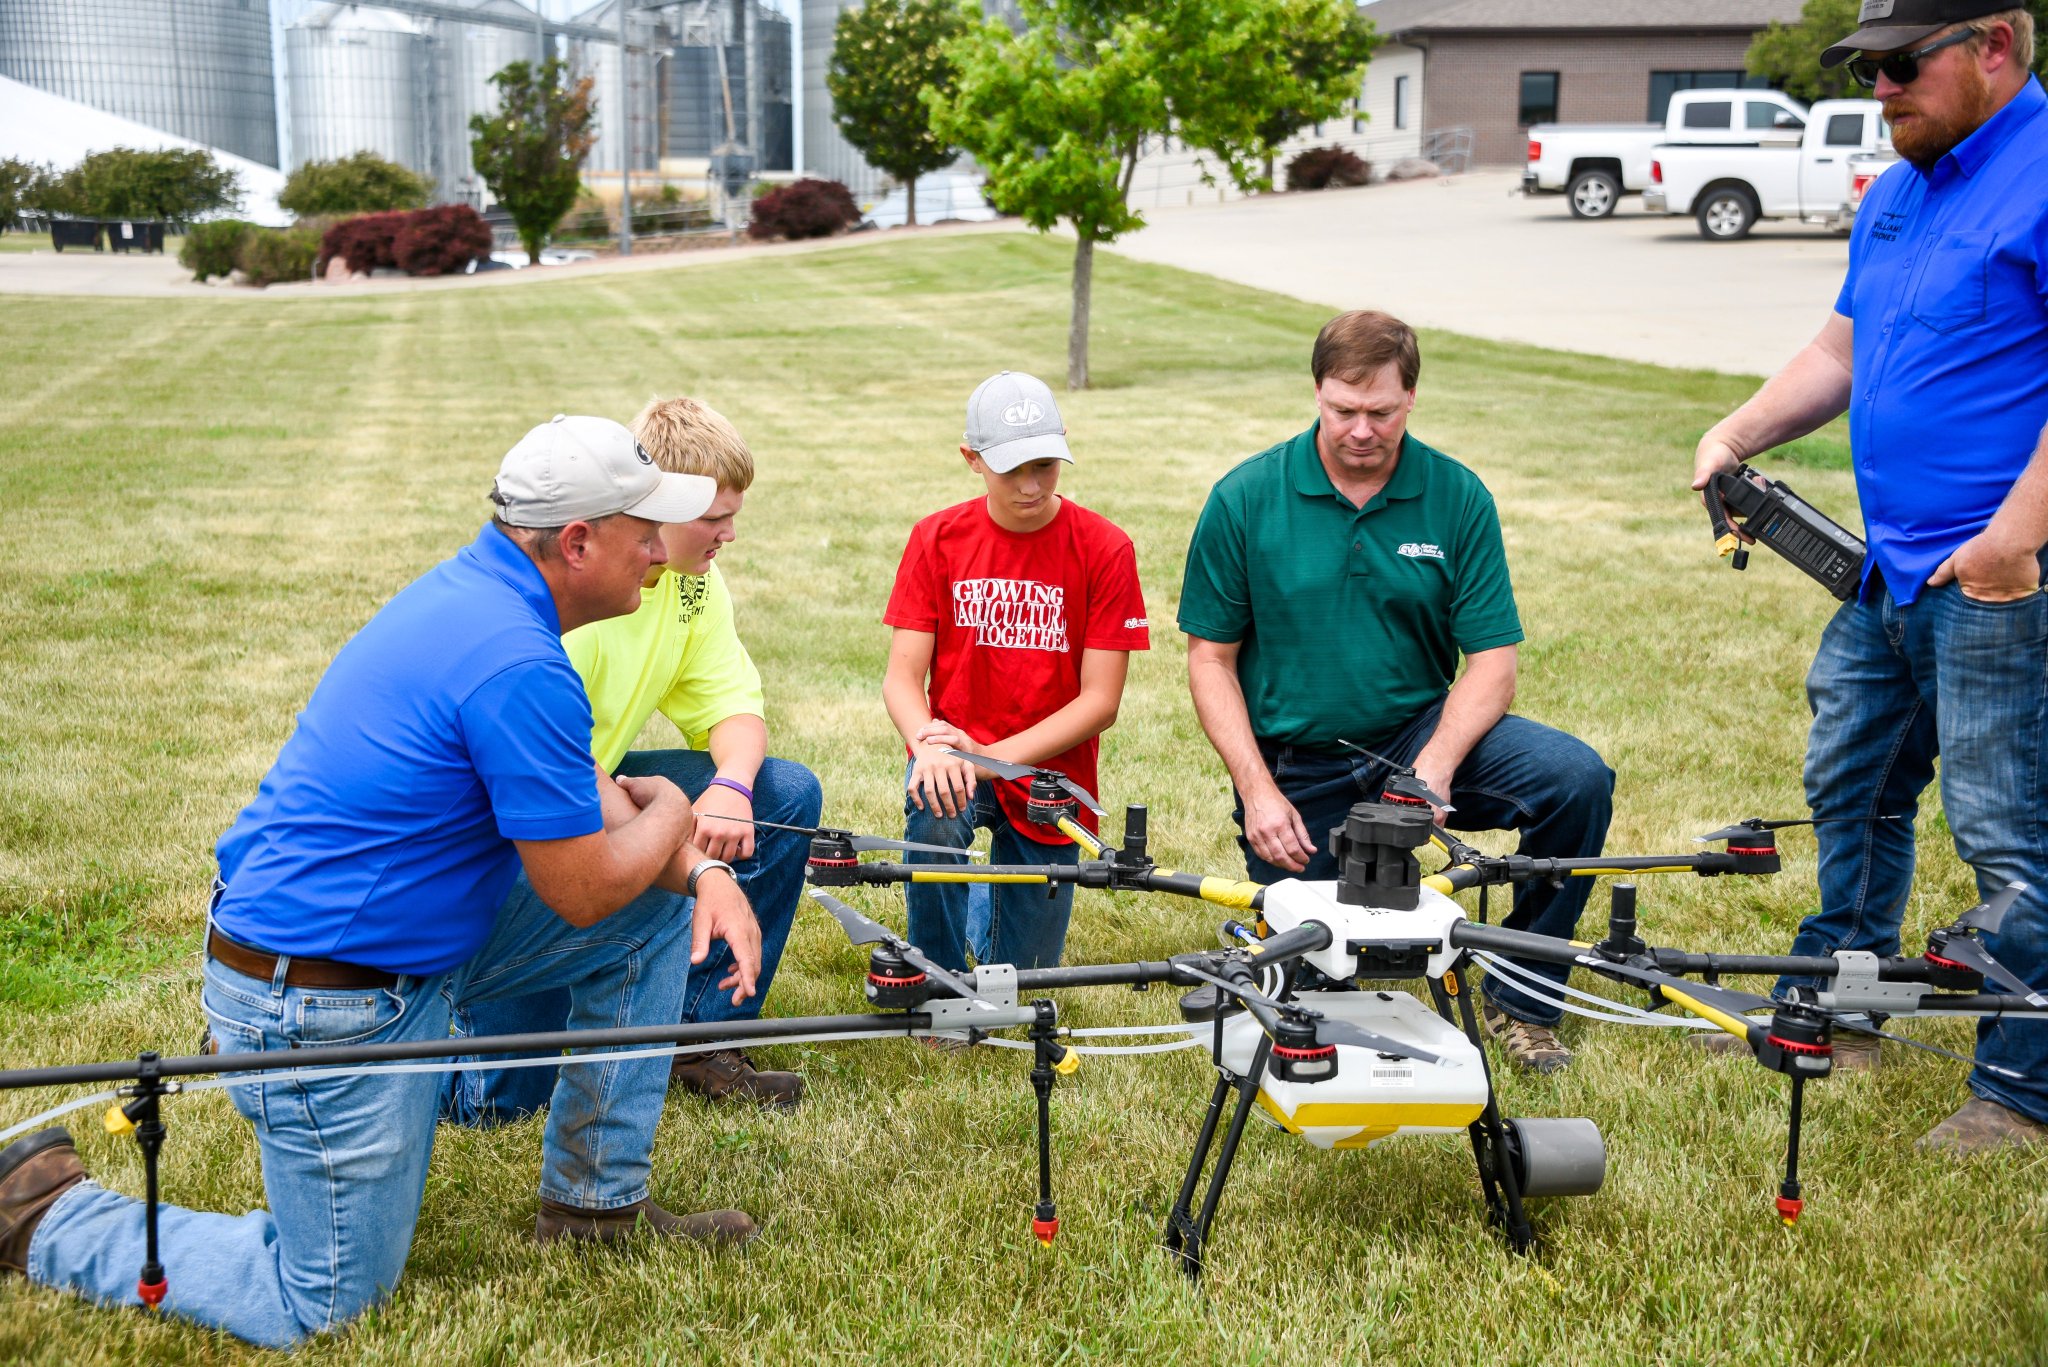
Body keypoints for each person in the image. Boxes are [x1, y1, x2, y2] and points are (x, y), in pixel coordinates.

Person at [0, 416, 762, 1348]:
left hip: (386, 959)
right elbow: (583, 891)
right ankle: (49, 1215)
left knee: (648, 916)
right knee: (321, 1301)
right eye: (647, 531)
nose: (663, 552)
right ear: (576, 542)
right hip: (317, 1002)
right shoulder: (517, 659)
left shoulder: (484, 599)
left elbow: (593, 808)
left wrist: (694, 863)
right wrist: (676, 815)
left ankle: (594, 1208)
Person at [1690, 4, 2048, 1151]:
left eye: (1899, 66)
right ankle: (1841, 1004)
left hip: (1999, 582)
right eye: (1868, 69)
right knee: (1850, 780)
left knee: (2005, 830)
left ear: (1991, 44)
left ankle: (2017, 1085)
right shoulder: (1897, 189)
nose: (1877, 91)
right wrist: (1736, 432)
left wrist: (2007, 544)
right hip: (1886, 573)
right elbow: (1840, 348)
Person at [1178, 310, 1615, 1075]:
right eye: (1343, 410)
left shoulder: (1456, 496)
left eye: (1380, 412)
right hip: (1298, 763)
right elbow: (1210, 659)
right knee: (1320, 982)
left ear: (1411, 397)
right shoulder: (1245, 497)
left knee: (1576, 779)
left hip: (1418, 734)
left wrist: (1436, 767)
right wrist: (1256, 790)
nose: (1360, 429)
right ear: (1317, 392)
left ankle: (1522, 999)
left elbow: (1492, 664)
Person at [445, 397, 822, 1117]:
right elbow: (557, 774)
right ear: (658, 508)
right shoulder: (568, 599)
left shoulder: (695, 585)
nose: (731, 534)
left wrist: (733, 789)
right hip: (520, 823)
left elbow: (733, 706)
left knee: (785, 795)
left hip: (586, 783)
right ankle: (297, 1058)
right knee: (500, 1102)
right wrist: (681, 846)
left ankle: (701, 1036)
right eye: (715, 517)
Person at [881, 370, 1150, 974]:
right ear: (971, 459)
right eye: (1011, 470)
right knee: (935, 809)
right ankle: (934, 978)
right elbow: (902, 680)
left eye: (1046, 466)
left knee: (1020, 970)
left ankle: (983, 899)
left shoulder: (1106, 548)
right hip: (954, 754)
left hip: (1051, 773)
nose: (1030, 486)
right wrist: (931, 745)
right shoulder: (936, 538)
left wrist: (993, 756)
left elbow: (1100, 701)